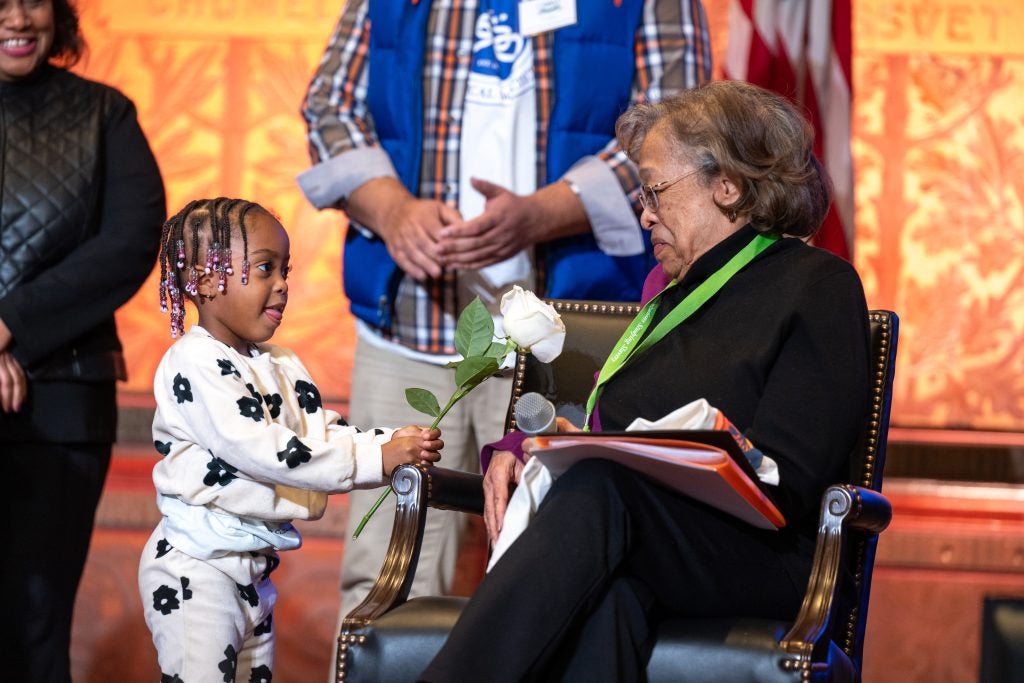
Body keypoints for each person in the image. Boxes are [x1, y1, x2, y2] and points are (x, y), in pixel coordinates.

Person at [419, 79, 872, 682]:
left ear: (728, 185)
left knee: (603, 489)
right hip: (643, 543)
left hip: (761, 555)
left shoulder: (817, 285)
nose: (644, 212)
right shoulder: (663, 300)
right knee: (607, 603)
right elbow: (608, 426)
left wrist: (682, 456)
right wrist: (529, 446)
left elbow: (790, 479)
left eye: (655, 189)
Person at [298, 0, 713, 622]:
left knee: (549, 577)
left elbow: (678, 128)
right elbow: (330, 104)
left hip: (565, 331)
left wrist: (546, 212)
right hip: (411, 320)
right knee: (383, 573)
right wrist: (390, 210)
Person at [138, 197, 443, 682]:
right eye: (264, 268)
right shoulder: (193, 363)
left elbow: (318, 434)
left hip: (252, 569)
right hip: (197, 566)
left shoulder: (277, 362)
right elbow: (267, 452)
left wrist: (391, 441)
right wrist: (374, 458)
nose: (282, 284)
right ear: (205, 279)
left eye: (286, 270)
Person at [0, 1, 166, 680]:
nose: (17, 17)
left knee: (35, 621)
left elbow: (130, 241)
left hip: (63, 395)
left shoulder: (106, 114)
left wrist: (10, 326)